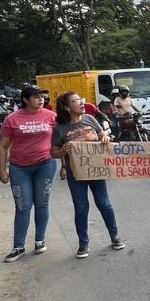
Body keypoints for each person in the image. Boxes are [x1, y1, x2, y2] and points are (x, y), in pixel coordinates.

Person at [50, 91, 125, 258]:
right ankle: (83, 244)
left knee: (104, 204)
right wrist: (63, 150)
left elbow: (101, 135)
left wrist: (104, 137)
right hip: (76, 174)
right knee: (81, 207)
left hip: (96, 170)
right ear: (67, 107)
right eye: (77, 101)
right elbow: (53, 153)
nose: (82, 103)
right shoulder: (60, 129)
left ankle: (115, 236)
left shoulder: (90, 119)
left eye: (81, 100)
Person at [0, 85, 57, 262]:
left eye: (42, 97)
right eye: (36, 97)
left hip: (45, 165)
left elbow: (64, 136)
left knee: (42, 203)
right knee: (22, 205)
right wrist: (2, 170)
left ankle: (40, 240)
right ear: (25, 99)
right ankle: (18, 246)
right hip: (19, 167)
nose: (41, 100)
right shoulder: (12, 119)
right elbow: (3, 145)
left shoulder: (51, 116)